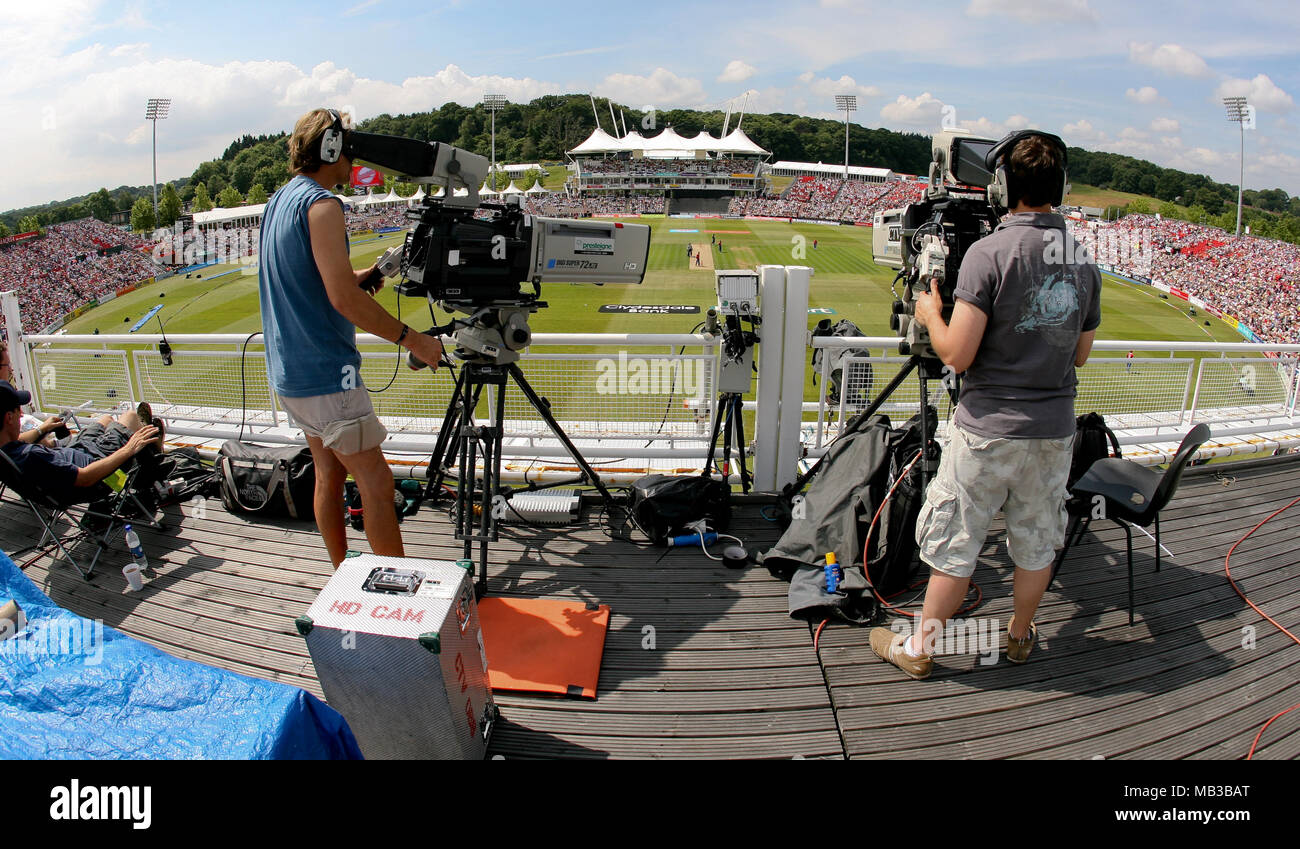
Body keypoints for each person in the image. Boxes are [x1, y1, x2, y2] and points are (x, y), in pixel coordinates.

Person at [870, 131, 1100, 678]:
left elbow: (958, 354)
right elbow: (1082, 355)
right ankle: (1019, 637)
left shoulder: (988, 253)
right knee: (1036, 539)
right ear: (1060, 187)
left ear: (1000, 186)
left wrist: (930, 315)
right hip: (1053, 429)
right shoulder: (1084, 260)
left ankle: (920, 651)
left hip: (987, 429)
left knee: (957, 541)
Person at [258, 108, 445, 568]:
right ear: (331, 148)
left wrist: (359, 276)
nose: (352, 162)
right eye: (348, 150)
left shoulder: (280, 201)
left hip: (292, 374)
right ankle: (400, 601)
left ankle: (342, 574)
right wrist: (414, 340)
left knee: (328, 472)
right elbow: (343, 299)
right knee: (378, 485)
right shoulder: (323, 206)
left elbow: (320, 281)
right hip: (328, 375)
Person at [1, 381, 163, 505]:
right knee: (130, 417)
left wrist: (43, 429)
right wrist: (129, 448)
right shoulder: (32, 456)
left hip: (77, 452)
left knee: (106, 420)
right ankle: (152, 460)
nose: (21, 415)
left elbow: (20, 440)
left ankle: (148, 447)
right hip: (97, 469)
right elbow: (85, 478)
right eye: (18, 410)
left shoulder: (6, 453)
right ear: (8, 417)